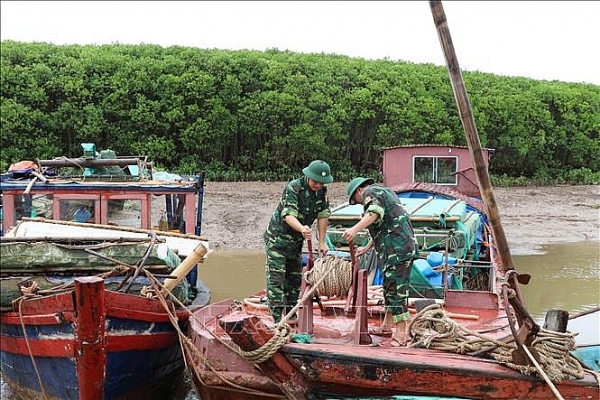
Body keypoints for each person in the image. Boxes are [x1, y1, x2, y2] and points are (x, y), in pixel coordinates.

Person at [342, 177, 417, 346]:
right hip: (397, 248)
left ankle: (401, 334)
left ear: (359, 191)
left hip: (397, 250)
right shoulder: (386, 192)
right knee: (389, 287)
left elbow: (373, 213)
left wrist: (354, 230)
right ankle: (387, 326)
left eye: (357, 200)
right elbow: (383, 222)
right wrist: (367, 248)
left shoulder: (370, 192)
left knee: (397, 290)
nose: (361, 203)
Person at [264, 160, 333, 324]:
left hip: (296, 243)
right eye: (315, 181)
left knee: (294, 279)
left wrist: (322, 242)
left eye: (321, 183)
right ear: (308, 176)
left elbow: (323, 214)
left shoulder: (322, 191)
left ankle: (291, 315)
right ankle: (276, 319)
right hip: (277, 240)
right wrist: (302, 228)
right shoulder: (294, 188)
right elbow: (288, 215)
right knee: (277, 279)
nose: (318, 185)